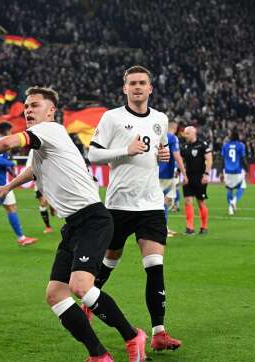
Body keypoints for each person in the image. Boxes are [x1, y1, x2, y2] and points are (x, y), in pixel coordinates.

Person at [0, 86, 147, 362]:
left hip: (93, 218)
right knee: (56, 295)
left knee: (81, 286)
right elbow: (33, 169)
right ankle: (99, 355)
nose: (27, 110)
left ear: (51, 111)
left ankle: (133, 336)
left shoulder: (51, 130)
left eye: (34, 105)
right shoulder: (42, 141)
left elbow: (8, 143)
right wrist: (8, 185)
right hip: (73, 225)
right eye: (26, 106)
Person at [87, 65, 182, 352]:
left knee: (155, 267)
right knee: (109, 262)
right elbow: (93, 154)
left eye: (143, 82)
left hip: (151, 204)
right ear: (125, 88)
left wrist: (164, 154)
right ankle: (89, 301)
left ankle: (159, 332)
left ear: (150, 88)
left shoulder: (161, 119)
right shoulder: (112, 117)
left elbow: (160, 150)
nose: (138, 87)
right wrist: (124, 150)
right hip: (118, 204)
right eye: (133, 83)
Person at [180, 126, 212, 235]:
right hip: (187, 177)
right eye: (185, 133)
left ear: (194, 133)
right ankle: (190, 228)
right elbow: (180, 160)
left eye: (187, 133)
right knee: (188, 201)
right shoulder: (183, 146)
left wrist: (206, 174)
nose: (185, 136)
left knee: (200, 202)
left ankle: (204, 227)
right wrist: (180, 173)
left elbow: (209, 159)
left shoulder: (202, 145)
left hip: (200, 177)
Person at [158, 120, 187, 237]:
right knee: (164, 202)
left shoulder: (157, 136)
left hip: (154, 173)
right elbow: (177, 156)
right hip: (166, 175)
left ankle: (164, 227)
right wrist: (184, 172)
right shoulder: (172, 138)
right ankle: (162, 229)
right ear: (174, 127)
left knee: (160, 202)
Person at [26, 149, 55, 234]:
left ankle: (52, 205)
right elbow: (29, 166)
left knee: (46, 201)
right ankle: (48, 227)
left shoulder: (49, 148)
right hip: (39, 181)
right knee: (42, 204)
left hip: (51, 180)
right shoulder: (32, 151)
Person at [220, 130, 248, 215]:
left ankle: (230, 209)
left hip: (227, 171)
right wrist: (247, 169)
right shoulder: (241, 145)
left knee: (229, 189)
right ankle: (234, 201)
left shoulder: (225, 145)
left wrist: (221, 172)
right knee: (242, 186)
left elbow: (222, 159)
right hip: (237, 170)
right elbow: (243, 158)